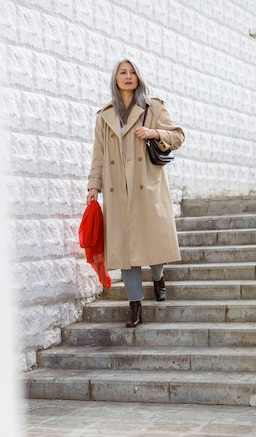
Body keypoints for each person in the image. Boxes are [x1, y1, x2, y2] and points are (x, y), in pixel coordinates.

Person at [86, 59, 185, 327]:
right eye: (122, 72)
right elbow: (99, 153)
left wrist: (154, 131)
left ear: (138, 77)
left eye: (132, 72)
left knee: (152, 240)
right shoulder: (105, 114)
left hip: (145, 185)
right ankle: (135, 306)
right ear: (115, 78)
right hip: (118, 189)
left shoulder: (153, 107)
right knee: (126, 249)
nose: (128, 77)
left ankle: (158, 277)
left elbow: (177, 136)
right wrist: (94, 185)